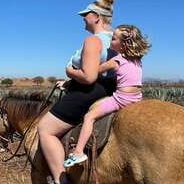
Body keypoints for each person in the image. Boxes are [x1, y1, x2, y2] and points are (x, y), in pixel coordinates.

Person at [37, 0, 117, 184]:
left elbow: (89, 77)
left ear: (96, 17)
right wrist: (70, 83)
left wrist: (69, 72)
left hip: (90, 91)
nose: (83, 18)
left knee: (45, 129)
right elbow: (102, 70)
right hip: (110, 88)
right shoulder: (116, 39)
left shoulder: (93, 40)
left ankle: (60, 182)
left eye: (86, 15)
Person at [64, 24, 150, 167]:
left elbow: (91, 72)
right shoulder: (137, 60)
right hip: (137, 98)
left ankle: (78, 152)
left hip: (121, 99)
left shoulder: (116, 61)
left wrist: (72, 72)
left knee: (89, 116)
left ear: (123, 45)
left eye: (114, 39)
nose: (110, 41)